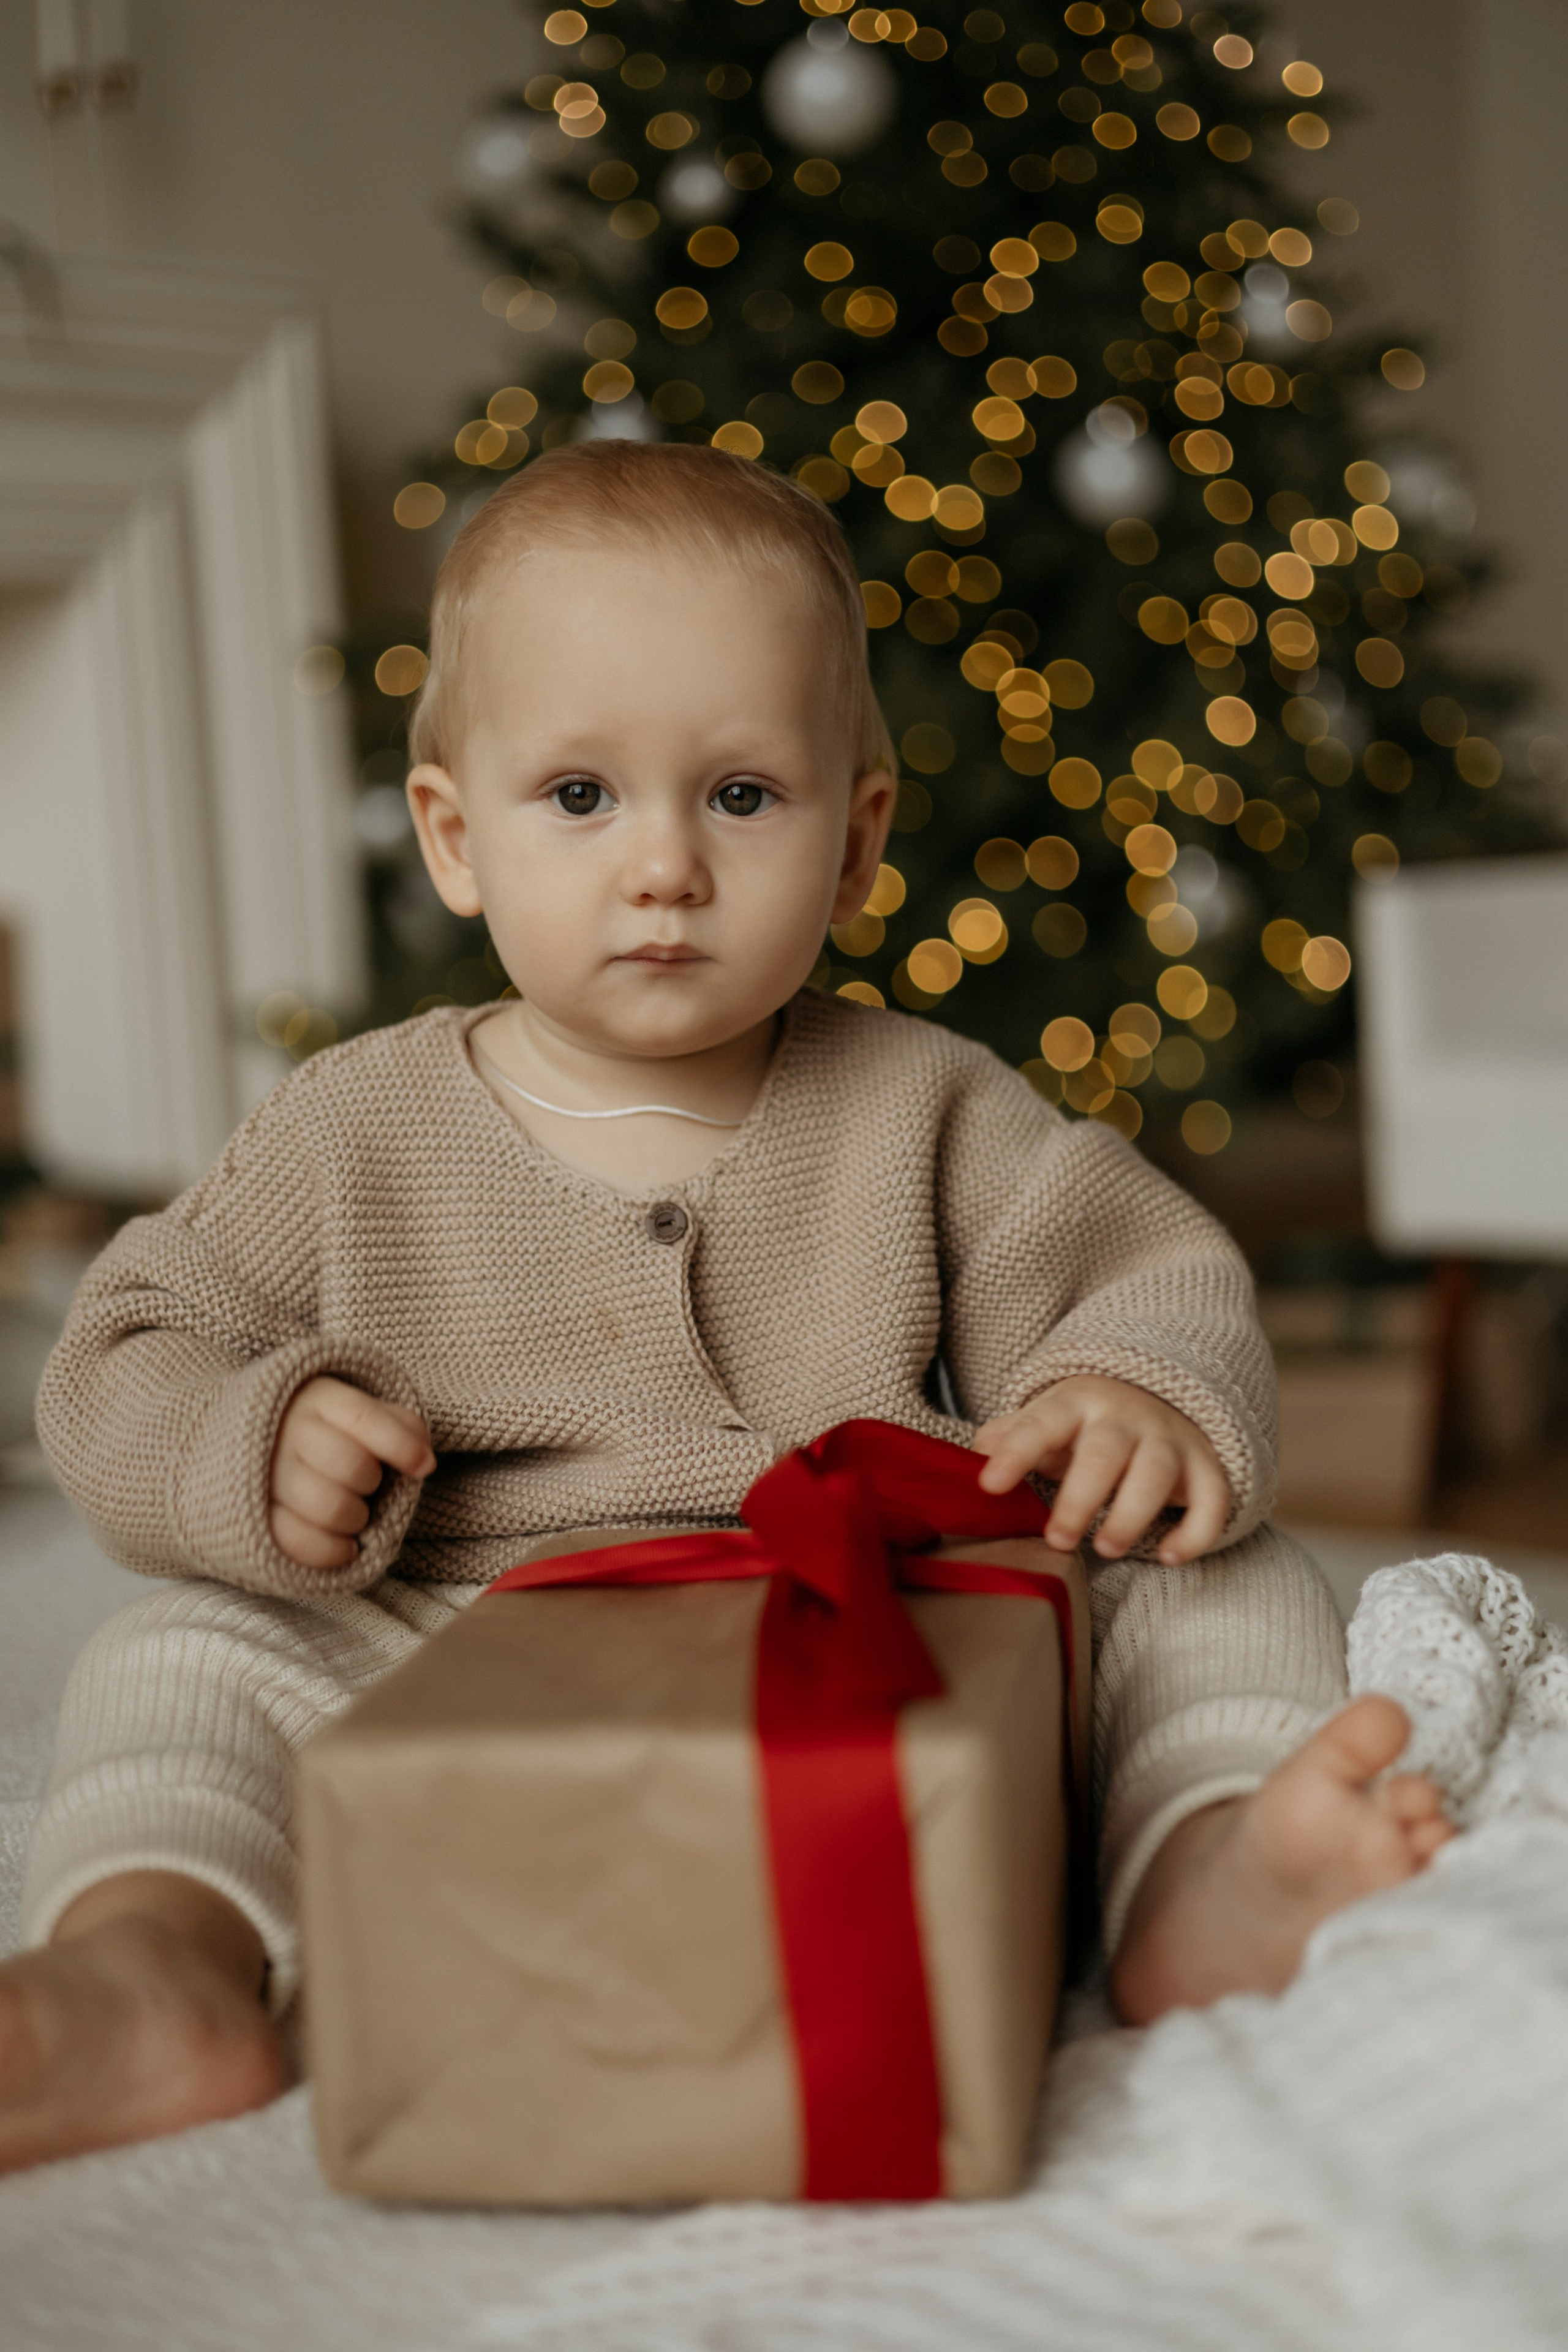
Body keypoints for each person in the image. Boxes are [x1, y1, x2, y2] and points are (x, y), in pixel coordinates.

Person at [0, 442, 1450, 2177]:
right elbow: (121, 1355)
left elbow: (1146, 1269)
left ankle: (1205, 1864)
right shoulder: (349, 1127)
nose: (667, 867)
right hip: (461, 1627)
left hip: (890, 1623)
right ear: (455, 839)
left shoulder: (927, 1103)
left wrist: (1128, 1391)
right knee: (174, 1660)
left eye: (743, 798)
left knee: (1215, 1575)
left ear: (856, 843)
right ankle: (159, 1968)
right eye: (583, 798)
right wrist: (255, 1439)